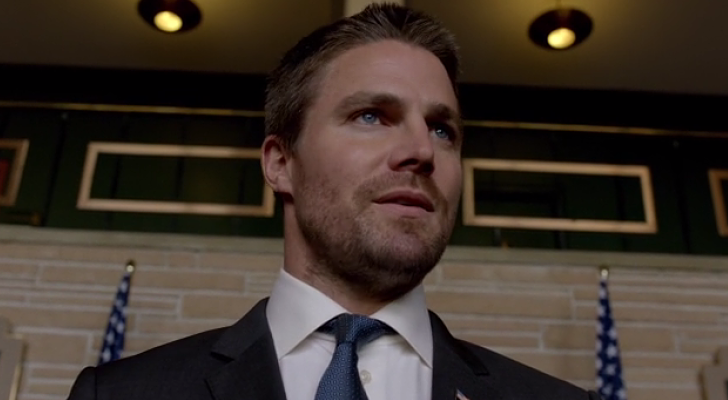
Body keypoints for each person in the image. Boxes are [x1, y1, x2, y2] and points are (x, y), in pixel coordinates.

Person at [68, 3, 601, 400]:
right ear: (281, 163)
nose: (422, 151)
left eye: (442, 129)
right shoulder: (118, 395)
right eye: (371, 116)